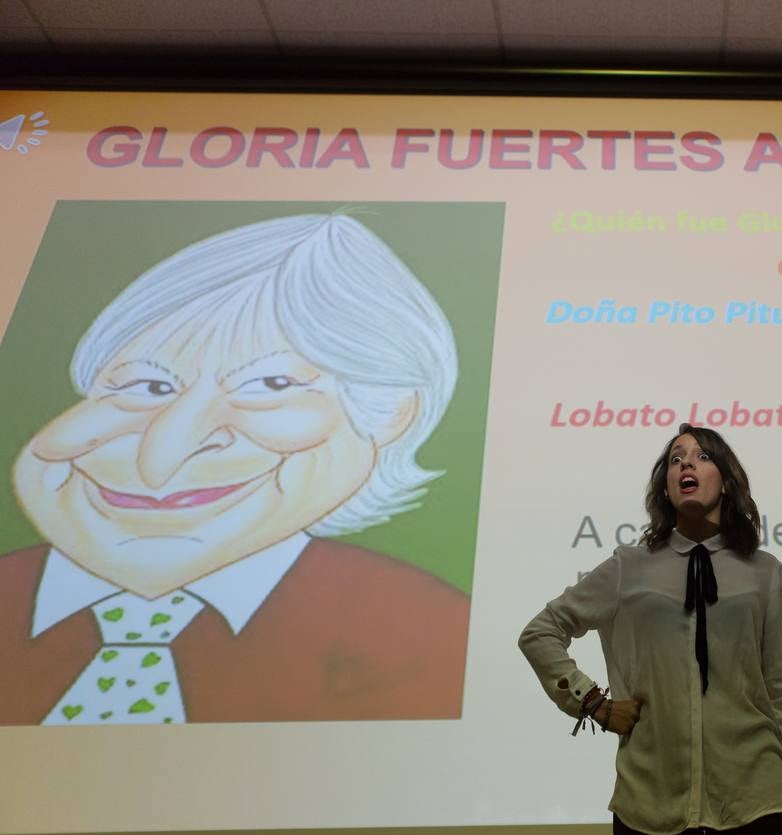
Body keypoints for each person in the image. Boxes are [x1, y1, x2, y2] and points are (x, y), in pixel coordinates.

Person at [0, 212, 470, 725]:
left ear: (392, 414)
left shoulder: (433, 634)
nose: (166, 452)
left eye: (270, 386)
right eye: (146, 387)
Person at [520, 424, 782, 835]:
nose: (686, 463)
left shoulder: (764, 572)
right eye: (676, 458)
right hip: (649, 803)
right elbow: (540, 632)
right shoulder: (628, 566)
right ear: (665, 484)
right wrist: (592, 701)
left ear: (726, 479)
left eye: (702, 456)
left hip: (755, 801)